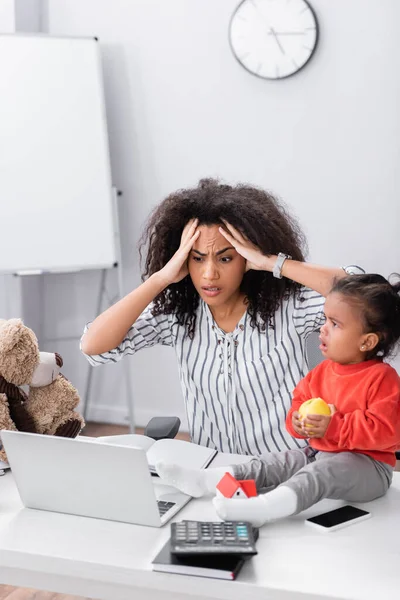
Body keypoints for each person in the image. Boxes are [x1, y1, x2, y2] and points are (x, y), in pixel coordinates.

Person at [81, 178, 361, 455]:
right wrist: (161, 278)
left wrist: (272, 262)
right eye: (197, 258)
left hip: (288, 470)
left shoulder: (290, 307)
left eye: (225, 258)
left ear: (246, 258)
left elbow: (362, 293)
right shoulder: (179, 316)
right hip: (215, 474)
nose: (209, 274)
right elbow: (94, 346)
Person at [155, 274, 400, 527]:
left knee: (318, 474)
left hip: (371, 468)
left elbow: (389, 432)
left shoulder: (382, 378)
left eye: (335, 324)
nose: (323, 328)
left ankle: (264, 509)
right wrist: (297, 421)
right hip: (321, 452)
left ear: (367, 341)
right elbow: (299, 404)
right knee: (272, 463)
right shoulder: (322, 371)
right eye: (325, 319)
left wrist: (333, 426)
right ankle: (206, 481)